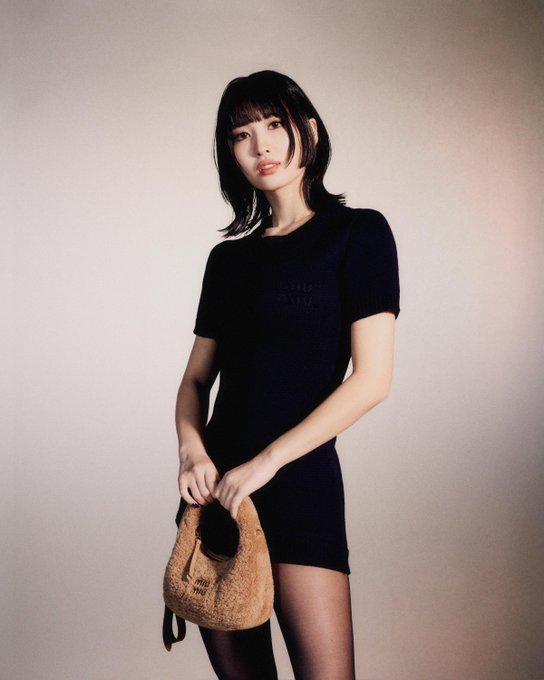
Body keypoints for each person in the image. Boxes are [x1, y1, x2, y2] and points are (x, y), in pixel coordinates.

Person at [173, 70, 400, 680]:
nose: (262, 145)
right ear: (230, 153)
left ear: (310, 133)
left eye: (275, 124)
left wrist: (266, 464)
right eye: (241, 135)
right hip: (218, 494)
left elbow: (371, 380)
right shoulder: (227, 260)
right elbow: (195, 382)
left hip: (298, 485)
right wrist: (193, 455)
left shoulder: (358, 234)